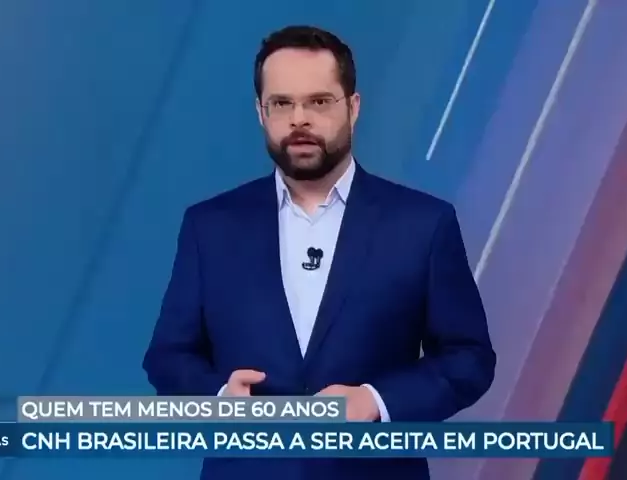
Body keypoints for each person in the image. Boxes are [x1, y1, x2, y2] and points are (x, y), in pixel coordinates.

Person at [143, 25, 496, 480]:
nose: (299, 120)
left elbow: (469, 358)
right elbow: (168, 357)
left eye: (319, 101)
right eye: (281, 104)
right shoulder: (210, 227)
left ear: (353, 107)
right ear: (260, 112)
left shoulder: (423, 224)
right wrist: (219, 400)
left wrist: (376, 401)